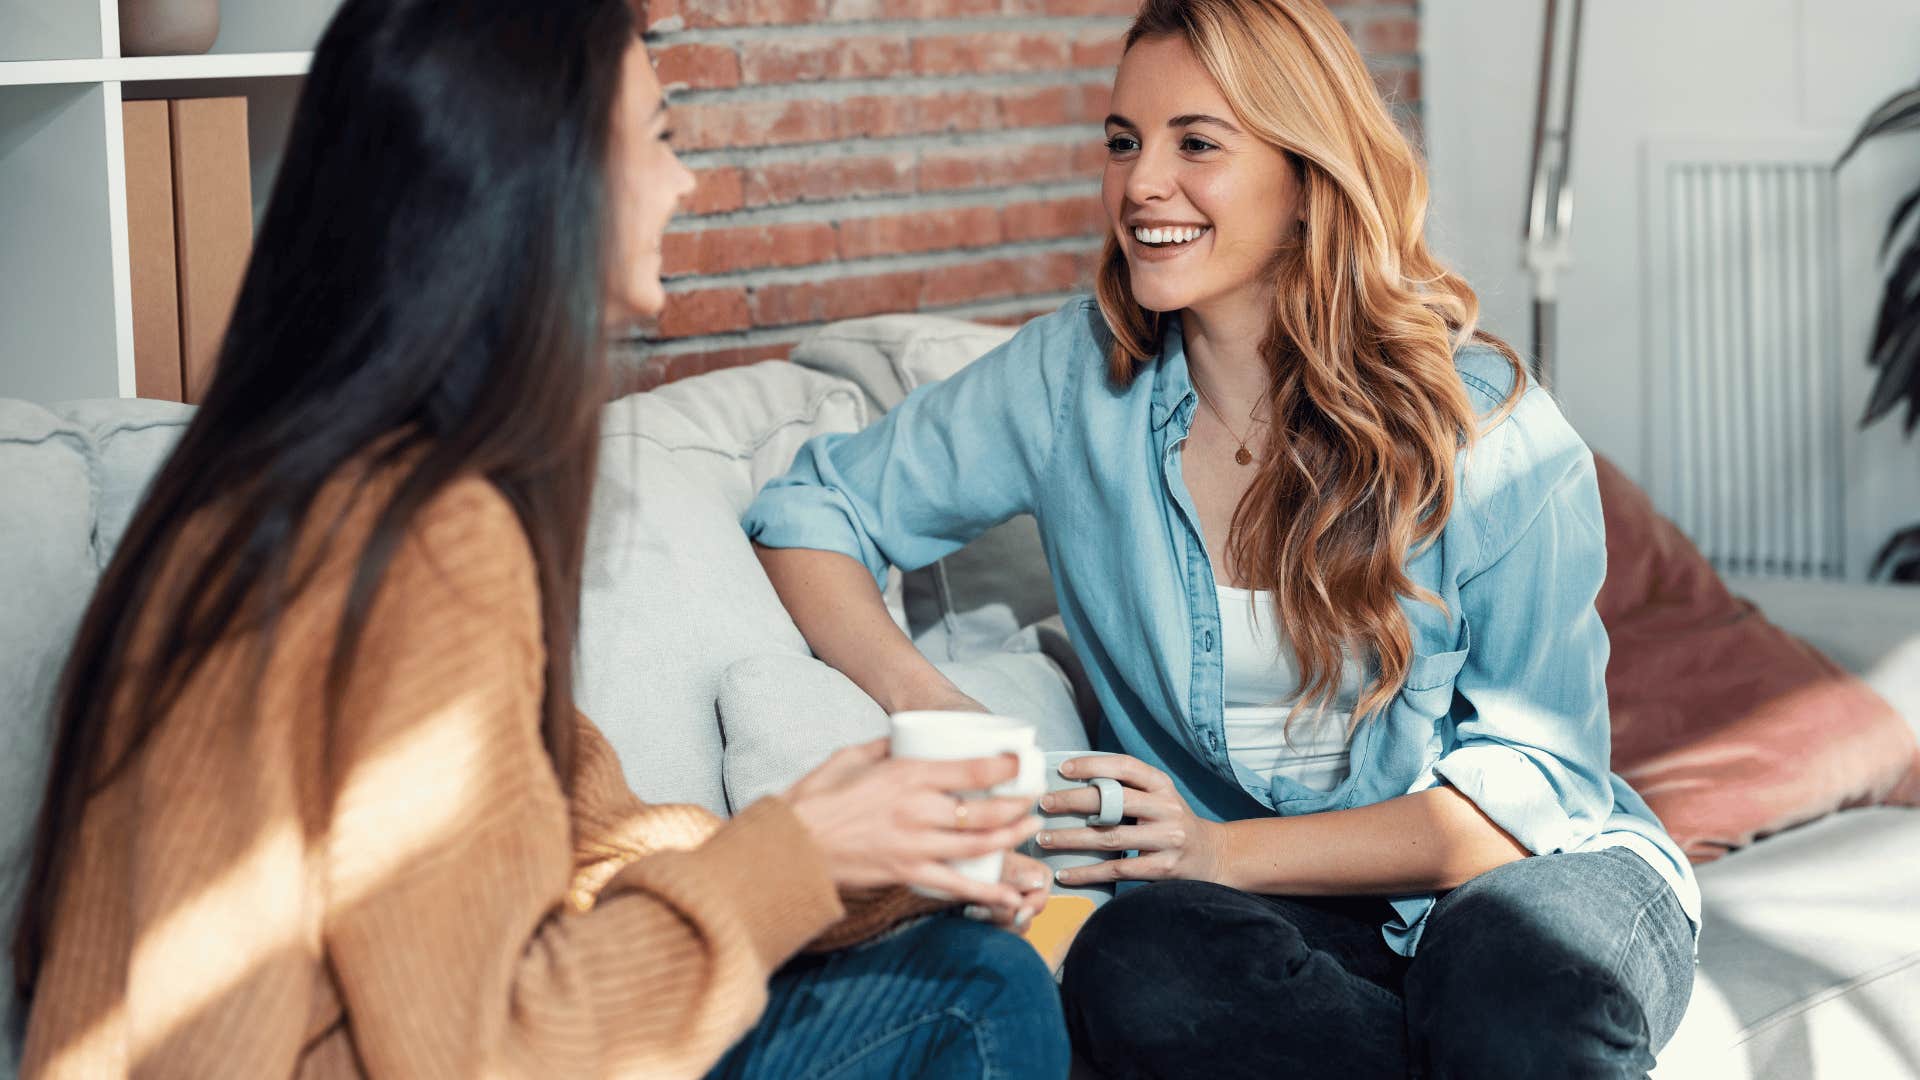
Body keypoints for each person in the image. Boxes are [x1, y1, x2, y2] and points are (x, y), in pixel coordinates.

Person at [10, 1, 1069, 1076]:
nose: (683, 182)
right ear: (543, 178)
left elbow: (587, 842)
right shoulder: (426, 541)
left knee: (955, 964)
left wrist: (861, 864)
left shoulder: (309, 484)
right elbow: (485, 1049)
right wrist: (804, 851)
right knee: (977, 993)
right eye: (658, 136)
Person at [744, 0, 1701, 1075]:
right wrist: (942, 712)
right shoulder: (1069, 382)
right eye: (1123, 142)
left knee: (1513, 997)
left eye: (1196, 143)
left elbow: (1536, 793)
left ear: (1307, 175)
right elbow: (810, 512)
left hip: (1525, 873)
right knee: (1138, 962)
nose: (1141, 183)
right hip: (1284, 913)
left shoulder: (1488, 429)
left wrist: (1219, 848)